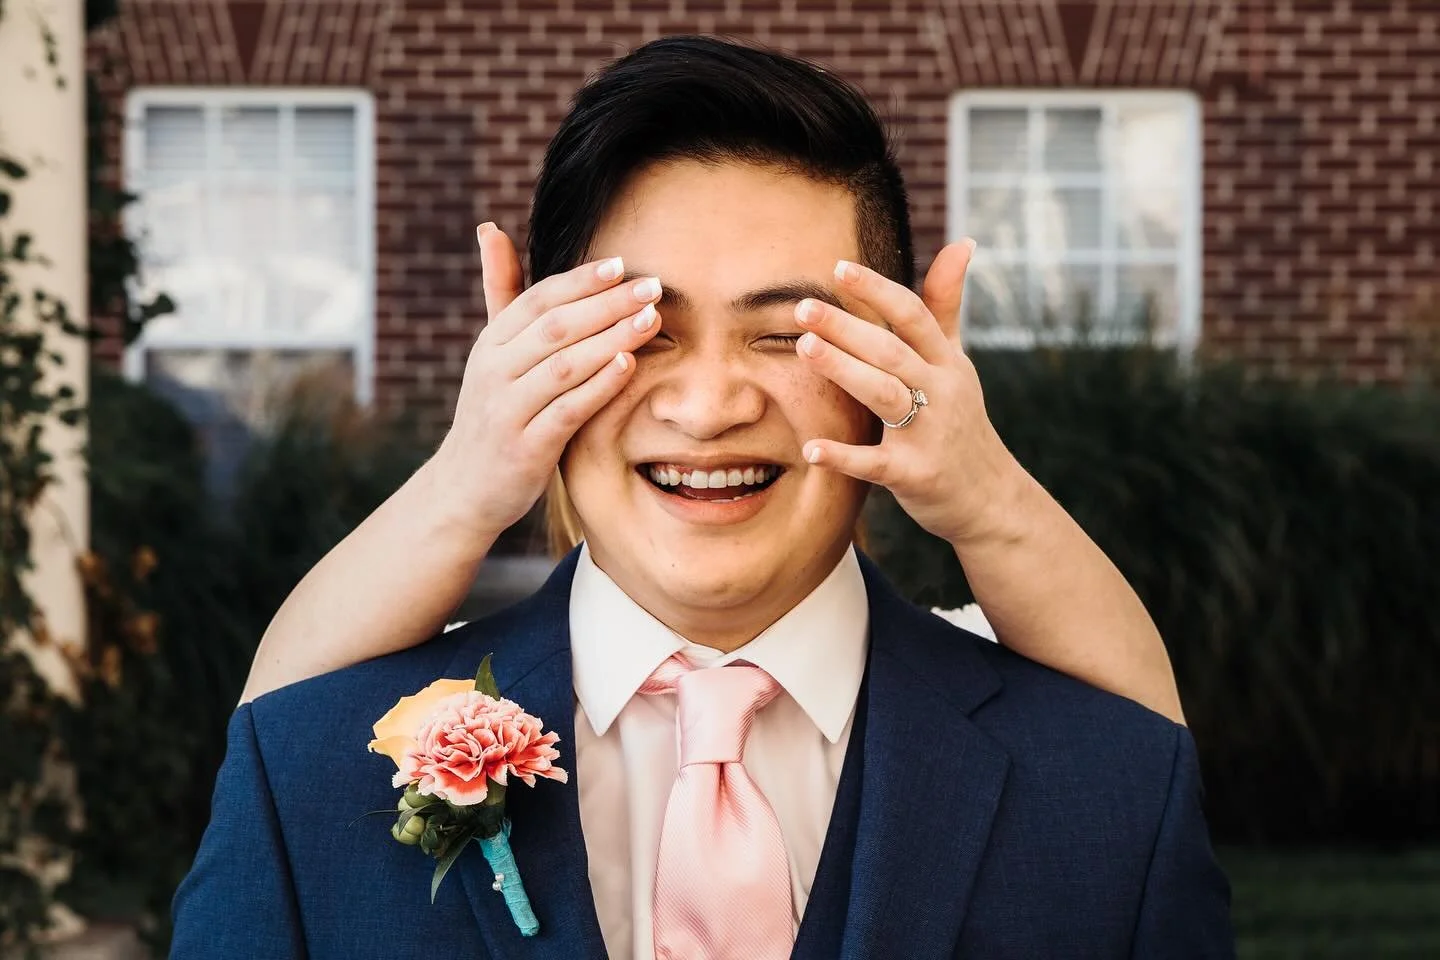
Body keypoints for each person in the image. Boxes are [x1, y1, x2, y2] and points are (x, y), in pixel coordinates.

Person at [171, 36, 1233, 959]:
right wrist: (472, 471)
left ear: (903, 356)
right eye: (643, 328)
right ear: (525, 339)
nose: (710, 404)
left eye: (785, 333)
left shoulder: (1109, 786)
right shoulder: (305, 766)